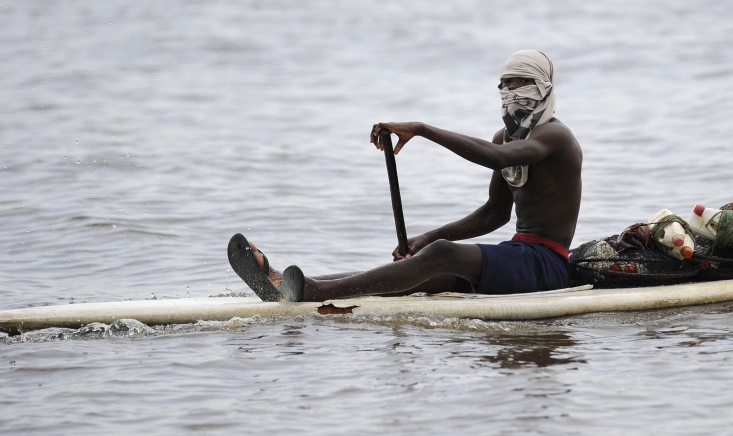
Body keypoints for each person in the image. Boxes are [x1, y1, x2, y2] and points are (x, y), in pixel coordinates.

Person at [227, 49, 582, 302]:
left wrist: (422, 129)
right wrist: (426, 238)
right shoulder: (505, 137)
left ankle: (311, 293)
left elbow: (497, 158)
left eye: (519, 84)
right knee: (418, 272)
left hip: (547, 265)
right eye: (503, 85)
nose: (508, 93)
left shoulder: (555, 136)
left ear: (543, 87)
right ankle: (288, 281)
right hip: (518, 254)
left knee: (443, 254)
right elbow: (495, 212)